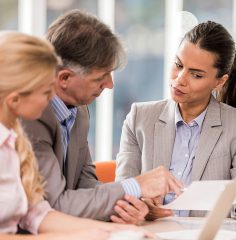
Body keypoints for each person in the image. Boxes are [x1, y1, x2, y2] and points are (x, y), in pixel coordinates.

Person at [22, 9, 182, 224]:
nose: (110, 85)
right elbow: (55, 204)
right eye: (100, 77)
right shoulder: (29, 118)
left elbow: (85, 182)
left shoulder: (79, 111)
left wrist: (129, 203)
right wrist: (136, 185)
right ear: (65, 78)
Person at [0, 31, 151, 239]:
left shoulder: (12, 141)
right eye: (46, 92)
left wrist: (111, 231)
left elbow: (37, 214)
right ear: (14, 100)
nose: (53, 99)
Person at [115, 21, 236, 221]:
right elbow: (123, 192)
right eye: (178, 65)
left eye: (196, 74)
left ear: (219, 81)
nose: (180, 79)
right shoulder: (140, 118)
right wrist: (140, 207)